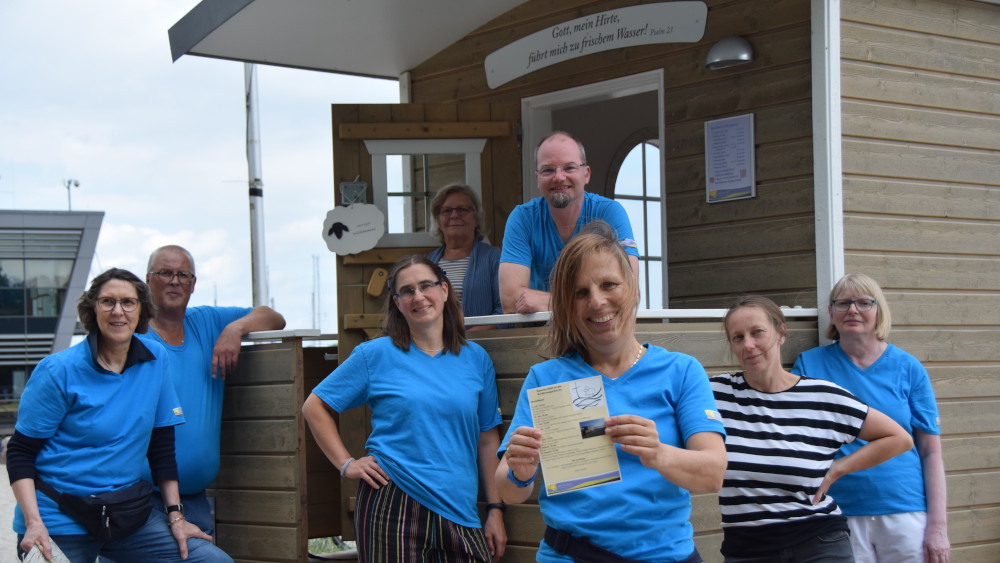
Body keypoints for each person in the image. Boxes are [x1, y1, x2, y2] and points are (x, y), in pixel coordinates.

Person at [496, 221, 726, 562]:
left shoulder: (681, 371)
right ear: (567, 305)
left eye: (608, 285)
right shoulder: (546, 379)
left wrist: (658, 453)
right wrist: (519, 470)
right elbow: (508, 490)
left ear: (632, 287)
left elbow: (713, 473)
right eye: (580, 292)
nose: (597, 301)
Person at [5, 268, 232, 563]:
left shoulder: (155, 360)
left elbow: (161, 446)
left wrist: (176, 518)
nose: (118, 312)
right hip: (58, 520)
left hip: (124, 517)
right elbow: (20, 452)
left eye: (128, 302)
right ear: (92, 309)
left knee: (214, 560)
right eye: (107, 302)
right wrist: (34, 523)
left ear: (141, 311)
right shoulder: (58, 371)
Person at [302, 255, 507, 562]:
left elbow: (488, 438)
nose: (419, 297)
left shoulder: (476, 359)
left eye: (427, 286)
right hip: (392, 501)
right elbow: (314, 406)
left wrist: (495, 509)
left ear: (445, 290)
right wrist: (347, 464)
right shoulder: (375, 355)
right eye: (407, 291)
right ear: (397, 303)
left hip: (459, 507)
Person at [710, 295, 913, 562]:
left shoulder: (822, 396)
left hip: (818, 542)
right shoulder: (715, 394)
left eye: (757, 332)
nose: (749, 344)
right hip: (747, 548)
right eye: (738, 337)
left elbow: (899, 437)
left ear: (781, 333)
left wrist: (838, 469)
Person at [792, 273, 950, 563]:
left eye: (864, 303)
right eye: (843, 303)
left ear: (880, 312)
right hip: (838, 511)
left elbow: (931, 452)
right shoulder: (809, 364)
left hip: (905, 510)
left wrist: (938, 527)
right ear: (831, 312)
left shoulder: (908, 368)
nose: (852, 310)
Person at [138, 245, 286, 537]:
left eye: (183, 274)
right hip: (142, 500)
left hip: (195, 499)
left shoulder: (206, 322)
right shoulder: (133, 335)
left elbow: (274, 317)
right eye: (165, 273)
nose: (175, 281)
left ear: (193, 284)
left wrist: (236, 329)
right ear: (147, 279)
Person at [499, 131, 639, 314]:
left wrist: (551, 302)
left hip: (596, 331)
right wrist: (591, 303)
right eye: (548, 170)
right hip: (537, 335)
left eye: (569, 168)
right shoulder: (523, 218)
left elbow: (630, 292)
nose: (558, 177)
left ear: (586, 174)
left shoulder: (609, 212)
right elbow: (511, 301)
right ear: (537, 179)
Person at [427, 183, 502, 329]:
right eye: (447, 211)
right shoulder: (427, 263)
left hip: (479, 345)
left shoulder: (494, 258)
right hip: (432, 347)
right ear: (438, 222)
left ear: (476, 218)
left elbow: (505, 312)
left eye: (462, 210)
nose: (454, 215)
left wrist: (467, 339)